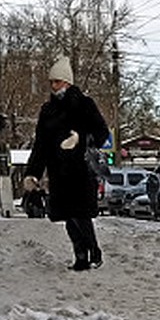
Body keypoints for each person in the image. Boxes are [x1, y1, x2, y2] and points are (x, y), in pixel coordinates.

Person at [23, 56, 108, 271]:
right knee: (69, 216)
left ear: (68, 82)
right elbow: (40, 145)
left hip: (80, 170)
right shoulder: (47, 111)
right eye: (51, 82)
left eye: (58, 81)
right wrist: (32, 172)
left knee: (81, 214)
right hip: (58, 172)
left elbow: (101, 132)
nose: (54, 86)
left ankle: (93, 251)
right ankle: (80, 256)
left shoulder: (84, 104)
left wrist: (80, 138)